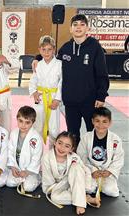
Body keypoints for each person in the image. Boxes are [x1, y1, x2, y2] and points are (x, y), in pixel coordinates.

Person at [33, 14, 109, 144]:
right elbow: (52, 58)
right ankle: (74, 160)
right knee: (73, 134)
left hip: (90, 100)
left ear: (87, 28)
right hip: (70, 102)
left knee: (94, 131)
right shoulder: (66, 48)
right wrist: (37, 58)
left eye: (82, 24)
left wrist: (101, 96)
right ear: (70, 29)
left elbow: (102, 73)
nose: (78, 27)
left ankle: (95, 158)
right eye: (75, 25)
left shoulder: (95, 47)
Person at [42, 131, 98, 215]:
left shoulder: (74, 157)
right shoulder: (47, 158)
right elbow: (48, 180)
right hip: (59, 185)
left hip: (76, 181)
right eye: (60, 143)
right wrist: (56, 188)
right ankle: (84, 198)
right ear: (55, 142)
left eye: (67, 146)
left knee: (76, 167)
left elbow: (84, 171)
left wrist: (86, 185)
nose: (62, 148)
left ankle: (80, 204)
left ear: (71, 149)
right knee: (54, 197)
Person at [77, 107, 124, 200]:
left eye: (104, 121)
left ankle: (102, 184)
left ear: (110, 123)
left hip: (106, 170)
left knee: (112, 191)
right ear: (92, 121)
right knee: (88, 188)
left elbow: (119, 158)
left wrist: (110, 171)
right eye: (97, 121)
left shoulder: (115, 139)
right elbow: (81, 156)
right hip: (91, 169)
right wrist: (92, 170)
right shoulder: (86, 137)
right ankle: (94, 185)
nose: (100, 125)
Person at [29, 35, 62, 147]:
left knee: (53, 129)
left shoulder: (59, 64)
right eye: (43, 49)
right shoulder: (38, 65)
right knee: (37, 126)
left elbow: (62, 82)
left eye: (49, 49)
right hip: (40, 98)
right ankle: (37, 152)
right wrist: (33, 92)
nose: (46, 52)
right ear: (39, 50)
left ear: (54, 50)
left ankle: (53, 154)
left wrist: (57, 99)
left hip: (53, 98)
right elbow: (33, 79)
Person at [6, 106, 43, 196]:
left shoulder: (36, 137)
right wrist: (13, 167)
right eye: (20, 121)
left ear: (32, 122)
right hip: (18, 168)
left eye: (27, 123)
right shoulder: (14, 133)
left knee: (28, 188)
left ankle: (38, 178)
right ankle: (21, 178)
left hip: (30, 171)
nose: (23, 125)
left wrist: (27, 172)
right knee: (9, 183)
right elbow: (10, 151)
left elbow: (36, 157)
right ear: (17, 119)